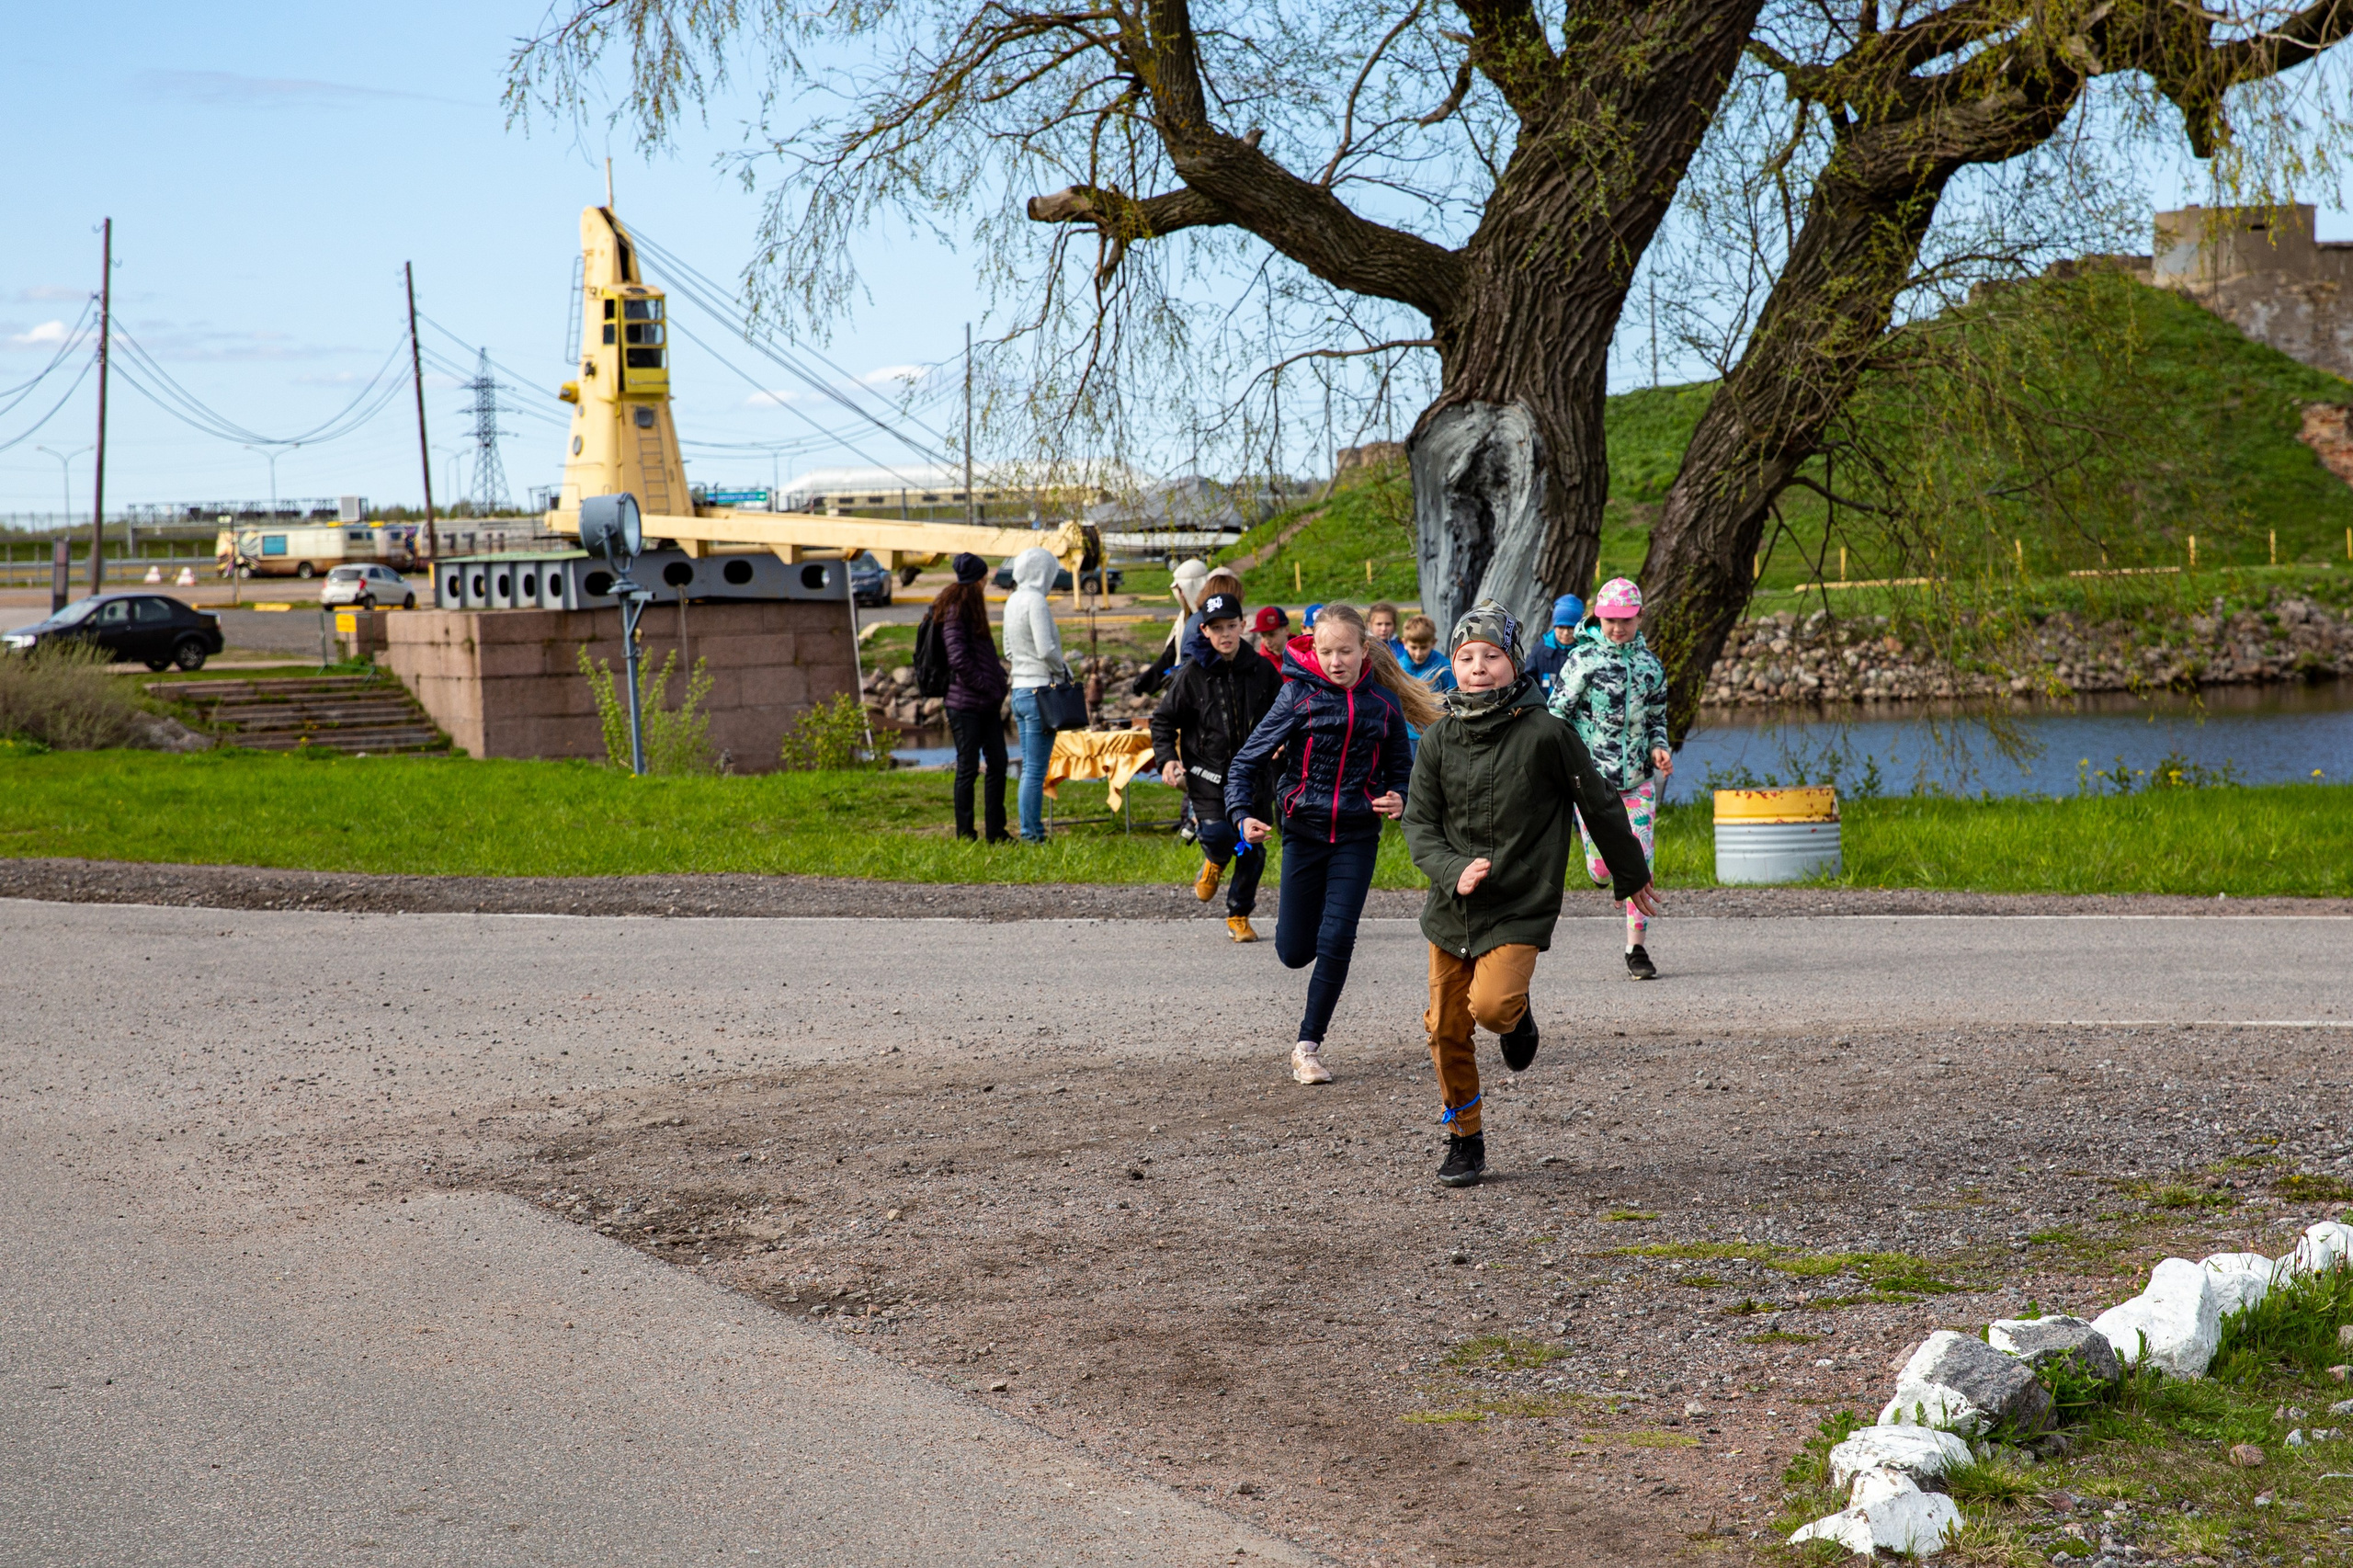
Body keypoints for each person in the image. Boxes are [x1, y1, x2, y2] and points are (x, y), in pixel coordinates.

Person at [1403, 601, 1658, 1187]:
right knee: (1445, 1026)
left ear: (1513, 663)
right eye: (1466, 657)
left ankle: (1515, 1019)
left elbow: (1596, 802)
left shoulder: (1548, 733)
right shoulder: (1439, 739)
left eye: (1491, 656)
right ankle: (1465, 1139)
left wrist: (1630, 873)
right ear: (1455, 665)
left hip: (1521, 902)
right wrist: (1451, 869)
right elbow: (1418, 824)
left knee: (1491, 1008)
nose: (1477, 667)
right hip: (1453, 907)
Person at [1227, 602, 1443, 1085]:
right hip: (1303, 835)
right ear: (1313, 650)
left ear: (1364, 650)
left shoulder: (1382, 705)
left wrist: (1399, 798)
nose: (1335, 661)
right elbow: (1245, 763)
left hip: (1356, 834)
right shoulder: (1296, 698)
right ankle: (1302, 960)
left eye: (1345, 651)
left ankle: (1307, 1046)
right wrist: (1242, 817)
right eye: (1326, 652)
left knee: (1337, 938)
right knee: (1293, 951)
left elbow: (1401, 771)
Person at [1548, 577, 1673, 979]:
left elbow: (1657, 719)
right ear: (1598, 618)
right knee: (1603, 870)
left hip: (1637, 781)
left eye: (1625, 620)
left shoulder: (1651, 666)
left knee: (1640, 862)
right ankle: (1603, 872)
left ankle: (1636, 949)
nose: (1617, 627)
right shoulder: (1583, 660)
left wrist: (1659, 747)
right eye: (1609, 620)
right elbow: (1556, 714)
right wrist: (1561, 761)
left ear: (1639, 617)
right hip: (1592, 782)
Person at [1150, 591, 1283, 942]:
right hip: (1206, 775)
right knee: (1219, 834)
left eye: (1231, 626)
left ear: (1242, 626)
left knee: (1253, 849)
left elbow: (1283, 715)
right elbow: (1162, 721)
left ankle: (1238, 914)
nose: (1225, 634)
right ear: (1205, 631)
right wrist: (1167, 759)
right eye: (1216, 628)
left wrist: (1281, 741)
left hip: (1253, 776)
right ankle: (1214, 860)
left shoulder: (1262, 670)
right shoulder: (1192, 674)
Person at [936, 552, 1010, 843]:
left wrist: (997, 683)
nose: (986, 582)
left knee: (999, 763)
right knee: (967, 768)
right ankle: (965, 833)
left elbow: (981, 655)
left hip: (985, 702)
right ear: (977, 579)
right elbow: (959, 659)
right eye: (984, 578)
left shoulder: (971, 608)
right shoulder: (956, 609)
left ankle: (996, 831)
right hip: (965, 704)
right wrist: (986, 685)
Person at [1004, 545, 1074, 844]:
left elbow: (1008, 650)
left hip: (1019, 689)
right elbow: (1046, 648)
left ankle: (1030, 830)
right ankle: (1032, 834)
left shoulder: (1012, 600)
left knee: (1028, 767)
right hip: (1040, 692)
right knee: (1035, 769)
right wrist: (1062, 673)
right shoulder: (1036, 601)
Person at [1131, 557, 1211, 697]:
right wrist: (1145, 681)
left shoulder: (1210, 619)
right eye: (1178, 590)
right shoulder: (1183, 619)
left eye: (1182, 589)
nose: (1180, 595)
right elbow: (1170, 654)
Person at [1524, 594, 1586, 698]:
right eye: (1561, 627)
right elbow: (1528, 680)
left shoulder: (1584, 651)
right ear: (1554, 626)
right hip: (1544, 708)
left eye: (1571, 628)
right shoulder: (1541, 649)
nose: (1566, 633)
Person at [1397, 613, 1451, 689]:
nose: (1418, 653)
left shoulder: (1444, 666)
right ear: (1404, 643)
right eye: (1414, 648)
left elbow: (1453, 694)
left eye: (1423, 648)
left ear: (1433, 643)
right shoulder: (1398, 667)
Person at [1250, 606, 1290, 676]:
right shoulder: (1258, 663)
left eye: (1271, 635)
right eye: (1263, 635)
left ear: (1286, 630)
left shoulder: (1301, 655)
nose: (1267, 641)